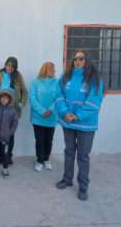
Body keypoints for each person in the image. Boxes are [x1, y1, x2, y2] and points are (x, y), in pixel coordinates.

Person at [55, 50, 104, 201]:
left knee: (83, 156)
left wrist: (78, 115)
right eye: (75, 59)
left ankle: (83, 187)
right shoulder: (65, 77)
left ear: (87, 60)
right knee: (69, 152)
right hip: (68, 123)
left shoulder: (95, 79)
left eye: (81, 59)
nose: (77, 61)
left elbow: (94, 102)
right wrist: (65, 113)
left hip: (86, 125)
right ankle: (67, 179)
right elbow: (58, 95)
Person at [0, 56, 27, 164]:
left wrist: (21, 103)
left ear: (15, 68)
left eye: (12, 66)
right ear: (5, 64)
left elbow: (24, 91)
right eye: (8, 65)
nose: (10, 67)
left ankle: (8, 156)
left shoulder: (18, 76)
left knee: (10, 134)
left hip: (12, 109)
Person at [29, 62, 59, 172]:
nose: (52, 70)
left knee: (49, 139)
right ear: (44, 69)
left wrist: (50, 109)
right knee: (39, 140)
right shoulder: (35, 82)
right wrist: (42, 111)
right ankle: (39, 160)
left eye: (53, 68)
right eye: (50, 68)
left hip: (51, 116)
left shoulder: (57, 83)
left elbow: (58, 98)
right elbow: (32, 99)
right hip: (38, 117)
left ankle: (46, 159)